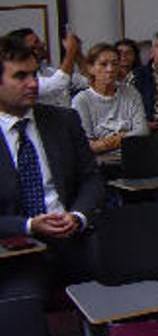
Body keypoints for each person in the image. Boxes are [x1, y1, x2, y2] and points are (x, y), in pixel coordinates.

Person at [0, 35, 103, 304]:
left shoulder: (63, 120)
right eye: (20, 76)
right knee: (22, 305)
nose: (33, 84)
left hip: (72, 235)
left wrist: (78, 215)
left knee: (131, 275)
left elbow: (91, 179)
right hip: (17, 247)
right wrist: (29, 225)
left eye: (34, 74)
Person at [71, 43, 148, 158]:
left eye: (115, 64)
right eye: (103, 64)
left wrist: (109, 141)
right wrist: (125, 137)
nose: (110, 69)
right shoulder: (82, 100)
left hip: (133, 158)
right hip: (99, 163)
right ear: (91, 68)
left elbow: (142, 130)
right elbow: (85, 144)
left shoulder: (131, 92)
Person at [7, 28, 88, 108]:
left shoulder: (48, 71)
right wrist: (70, 51)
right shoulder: (25, 81)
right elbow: (58, 84)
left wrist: (78, 54)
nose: (42, 44)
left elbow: (87, 81)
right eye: (36, 43)